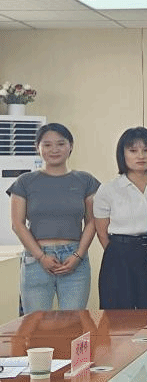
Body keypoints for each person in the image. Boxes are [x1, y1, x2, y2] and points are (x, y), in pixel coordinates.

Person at [7, 123, 99, 314]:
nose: (54, 149)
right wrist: (41, 256)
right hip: (36, 259)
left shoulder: (85, 180)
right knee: (35, 322)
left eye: (60, 144)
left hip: (75, 258)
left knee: (73, 322)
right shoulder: (24, 182)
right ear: (37, 147)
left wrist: (78, 255)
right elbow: (17, 224)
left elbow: (92, 221)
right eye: (47, 145)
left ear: (71, 146)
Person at [94, 127, 147, 309]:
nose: (140, 156)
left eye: (146, 150)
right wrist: (119, 253)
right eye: (133, 151)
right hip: (118, 256)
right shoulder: (109, 189)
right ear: (123, 154)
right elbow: (102, 231)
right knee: (117, 317)